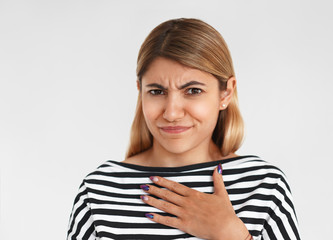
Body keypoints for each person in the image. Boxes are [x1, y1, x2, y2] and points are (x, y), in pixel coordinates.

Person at [67, 18, 300, 240]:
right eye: (157, 92)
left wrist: (232, 234)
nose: (171, 113)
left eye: (193, 91)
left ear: (225, 93)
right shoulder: (99, 190)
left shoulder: (263, 186)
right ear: (140, 92)